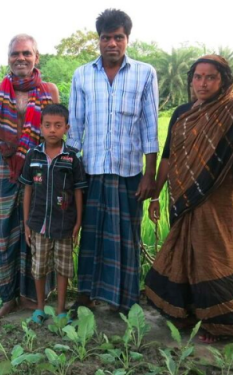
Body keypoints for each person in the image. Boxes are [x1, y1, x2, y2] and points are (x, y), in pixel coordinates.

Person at [145, 55, 233, 343]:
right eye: (197, 77)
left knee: (214, 256)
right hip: (182, 196)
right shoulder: (182, 113)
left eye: (210, 77)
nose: (203, 83)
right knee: (183, 252)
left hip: (220, 200)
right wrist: (156, 195)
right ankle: (184, 313)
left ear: (224, 81)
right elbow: (169, 157)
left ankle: (219, 324)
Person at [67, 9, 159, 313]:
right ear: (99, 40)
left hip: (129, 172)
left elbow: (149, 126)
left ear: (127, 39)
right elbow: (75, 127)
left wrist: (150, 175)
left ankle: (124, 299)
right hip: (91, 171)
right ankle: (86, 294)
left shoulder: (145, 73)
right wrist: (69, 174)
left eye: (118, 37)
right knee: (91, 234)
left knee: (125, 236)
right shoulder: (82, 74)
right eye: (106, 37)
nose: (112, 43)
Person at [0, 34, 60, 317]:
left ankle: (33, 297)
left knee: (37, 232)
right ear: (8, 58)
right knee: (4, 235)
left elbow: (57, 135)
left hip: (39, 170)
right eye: (15, 54)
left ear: (36, 57)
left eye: (27, 53)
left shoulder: (49, 90)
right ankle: (8, 297)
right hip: (4, 169)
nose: (21, 58)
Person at [19, 104, 87, 322]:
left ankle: (60, 309)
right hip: (38, 224)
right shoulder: (33, 154)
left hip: (64, 224)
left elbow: (78, 191)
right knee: (38, 268)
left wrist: (78, 222)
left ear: (66, 128)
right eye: (47, 125)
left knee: (63, 268)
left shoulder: (72, 157)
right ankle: (40, 307)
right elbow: (27, 189)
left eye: (58, 125)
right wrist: (27, 221)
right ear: (40, 128)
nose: (52, 130)